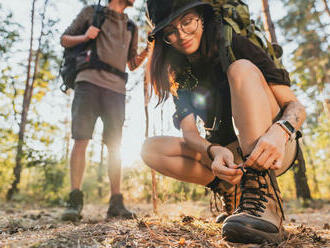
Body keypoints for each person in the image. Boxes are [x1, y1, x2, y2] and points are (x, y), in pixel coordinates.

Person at [141, 0, 306, 244]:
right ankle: (233, 192)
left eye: (187, 22)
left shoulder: (232, 41)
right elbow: (189, 132)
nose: (181, 35)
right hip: (227, 156)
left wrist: (279, 132)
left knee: (240, 69)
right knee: (150, 149)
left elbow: (296, 107)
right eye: (170, 32)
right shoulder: (178, 71)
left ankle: (264, 200)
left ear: (202, 17)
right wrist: (214, 150)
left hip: (273, 147)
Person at [60, 0, 150, 221]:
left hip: (117, 90)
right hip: (87, 82)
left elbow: (131, 63)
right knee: (81, 139)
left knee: (115, 145)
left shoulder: (131, 26)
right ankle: (74, 201)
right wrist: (85, 37)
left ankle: (116, 203)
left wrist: (148, 49)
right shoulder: (91, 12)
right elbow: (64, 39)